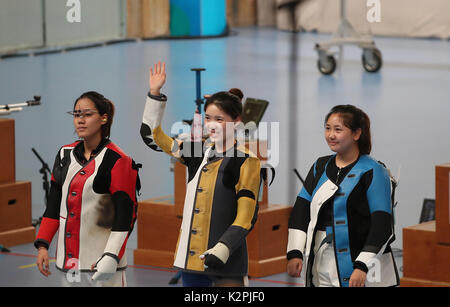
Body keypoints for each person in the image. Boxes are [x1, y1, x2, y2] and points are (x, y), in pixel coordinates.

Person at [140, 62, 261, 287]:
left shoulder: (247, 161)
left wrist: (223, 248)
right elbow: (152, 137)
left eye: (219, 119)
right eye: (208, 118)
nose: (211, 125)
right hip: (192, 263)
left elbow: (247, 217)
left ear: (237, 122)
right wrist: (155, 94)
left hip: (228, 262)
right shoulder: (197, 152)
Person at [286, 104, 399, 287]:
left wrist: (362, 265)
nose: (331, 135)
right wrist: (295, 252)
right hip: (321, 262)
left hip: (363, 268)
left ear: (356, 134)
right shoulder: (320, 166)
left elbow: (383, 225)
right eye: (328, 128)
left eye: (338, 129)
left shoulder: (374, 171)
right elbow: (301, 210)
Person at [35, 91, 140, 287]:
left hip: (103, 265)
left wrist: (111, 256)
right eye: (76, 114)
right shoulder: (64, 154)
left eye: (87, 114)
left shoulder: (118, 160)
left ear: (103, 118)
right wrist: (43, 244)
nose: (80, 120)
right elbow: (54, 205)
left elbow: (126, 216)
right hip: (69, 265)